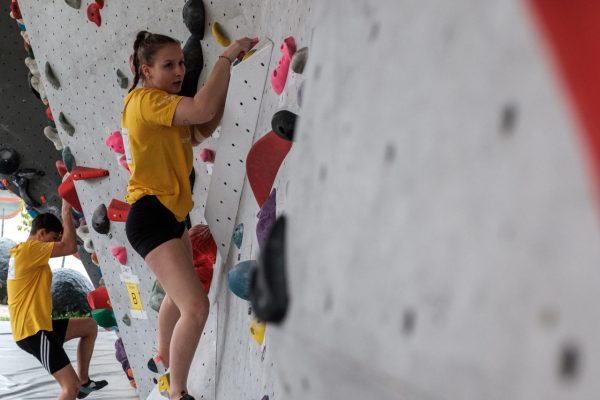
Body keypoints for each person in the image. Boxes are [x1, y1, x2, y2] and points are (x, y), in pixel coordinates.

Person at [122, 31, 253, 400]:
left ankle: (162, 356)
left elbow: (202, 127)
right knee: (195, 308)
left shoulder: (163, 102)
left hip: (170, 214)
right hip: (150, 216)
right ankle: (176, 392)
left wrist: (231, 82)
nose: (179, 71)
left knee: (175, 296)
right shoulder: (145, 101)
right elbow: (202, 110)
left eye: (181, 63)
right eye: (169, 65)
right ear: (145, 70)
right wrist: (226, 59)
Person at [7, 200, 107, 400]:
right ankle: (80, 386)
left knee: (89, 326)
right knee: (70, 388)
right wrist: (66, 210)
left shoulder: (29, 254)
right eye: (53, 238)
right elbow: (69, 246)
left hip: (41, 325)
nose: (55, 244)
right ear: (41, 233)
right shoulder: (29, 249)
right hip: (32, 331)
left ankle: (85, 382)